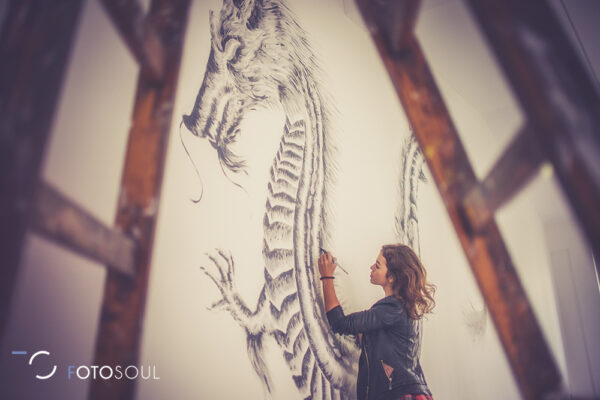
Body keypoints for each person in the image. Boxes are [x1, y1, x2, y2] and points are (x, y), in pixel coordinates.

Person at [318, 244, 435, 400]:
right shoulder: (396, 310)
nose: (371, 267)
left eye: (377, 265)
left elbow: (340, 323)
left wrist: (326, 277)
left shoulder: (392, 308)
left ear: (391, 277)